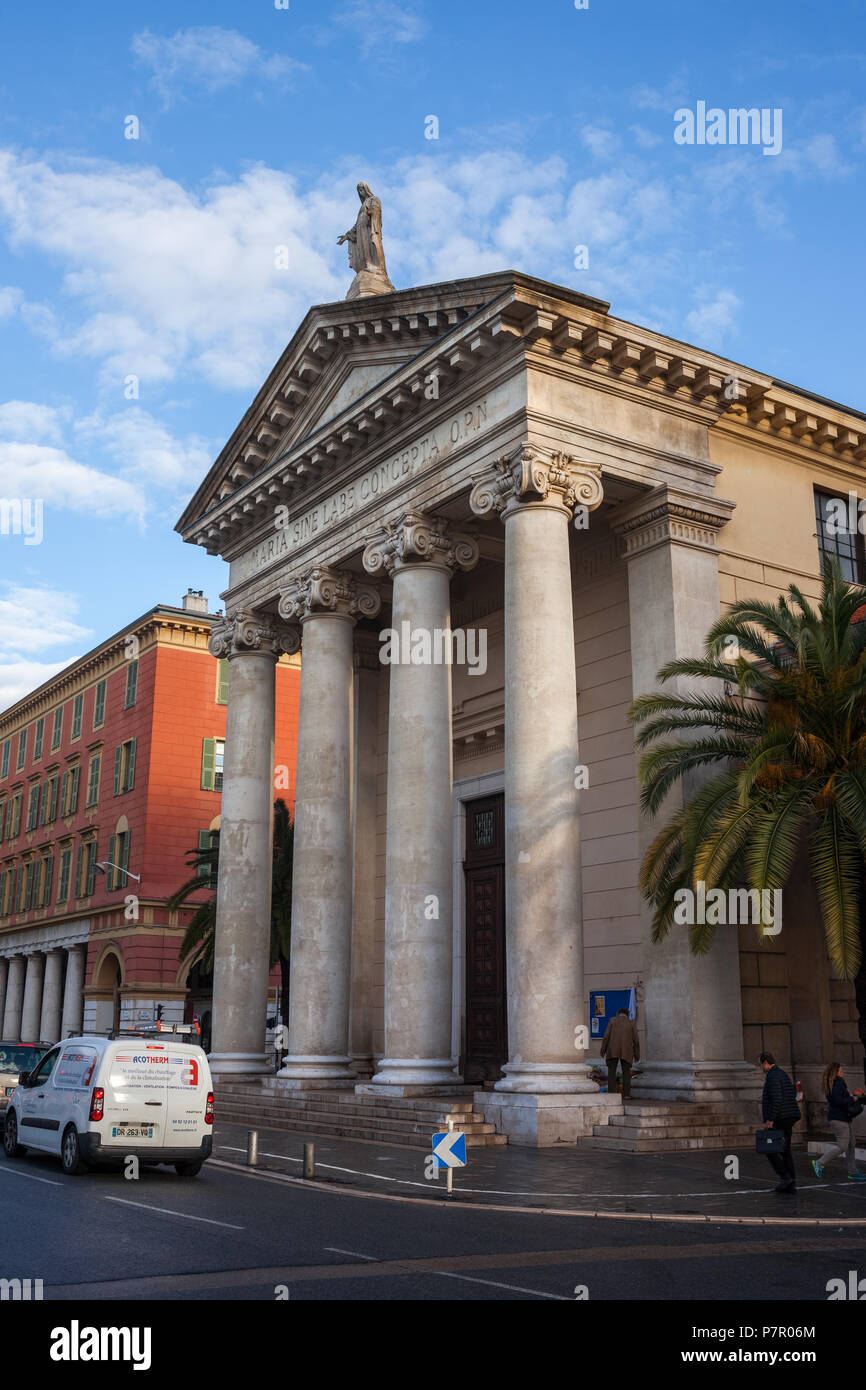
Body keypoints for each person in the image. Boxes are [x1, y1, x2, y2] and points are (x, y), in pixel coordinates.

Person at [812, 1061, 866, 1182]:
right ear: (835, 1072)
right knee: (842, 1146)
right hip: (839, 1119)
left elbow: (840, 1098)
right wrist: (854, 1098)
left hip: (843, 1118)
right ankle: (819, 1163)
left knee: (851, 1143)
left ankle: (852, 1171)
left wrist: (852, 1095)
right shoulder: (837, 1083)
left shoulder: (835, 1084)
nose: (843, 1073)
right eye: (841, 1071)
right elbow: (838, 1101)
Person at [760, 1052, 801, 1194]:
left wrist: (770, 1119)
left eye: (760, 1064)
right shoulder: (782, 1074)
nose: (760, 1067)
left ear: (765, 1062)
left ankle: (786, 1178)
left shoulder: (772, 1076)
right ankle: (790, 1181)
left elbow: (776, 1099)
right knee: (785, 1150)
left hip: (780, 1118)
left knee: (769, 1148)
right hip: (788, 1116)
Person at [600, 1007, 640, 1099]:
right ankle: (626, 1094)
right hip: (627, 1051)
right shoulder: (631, 1023)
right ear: (627, 1014)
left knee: (611, 1072)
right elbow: (636, 1040)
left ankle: (612, 1094)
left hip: (612, 1050)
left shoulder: (612, 1021)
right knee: (626, 1073)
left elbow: (606, 1036)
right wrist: (637, 1054)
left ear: (618, 1013)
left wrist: (603, 1049)